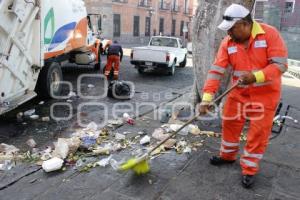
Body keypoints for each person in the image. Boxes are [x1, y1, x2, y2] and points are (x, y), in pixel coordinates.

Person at [199, 4, 288, 188]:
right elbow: (216, 71)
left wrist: (256, 77)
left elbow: (280, 65)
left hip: (265, 95)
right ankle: (228, 156)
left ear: (245, 24)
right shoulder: (228, 42)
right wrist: (207, 98)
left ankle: (249, 169)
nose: (229, 34)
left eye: (232, 29)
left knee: (258, 133)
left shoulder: (270, 34)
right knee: (230, 124)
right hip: (238, 93)